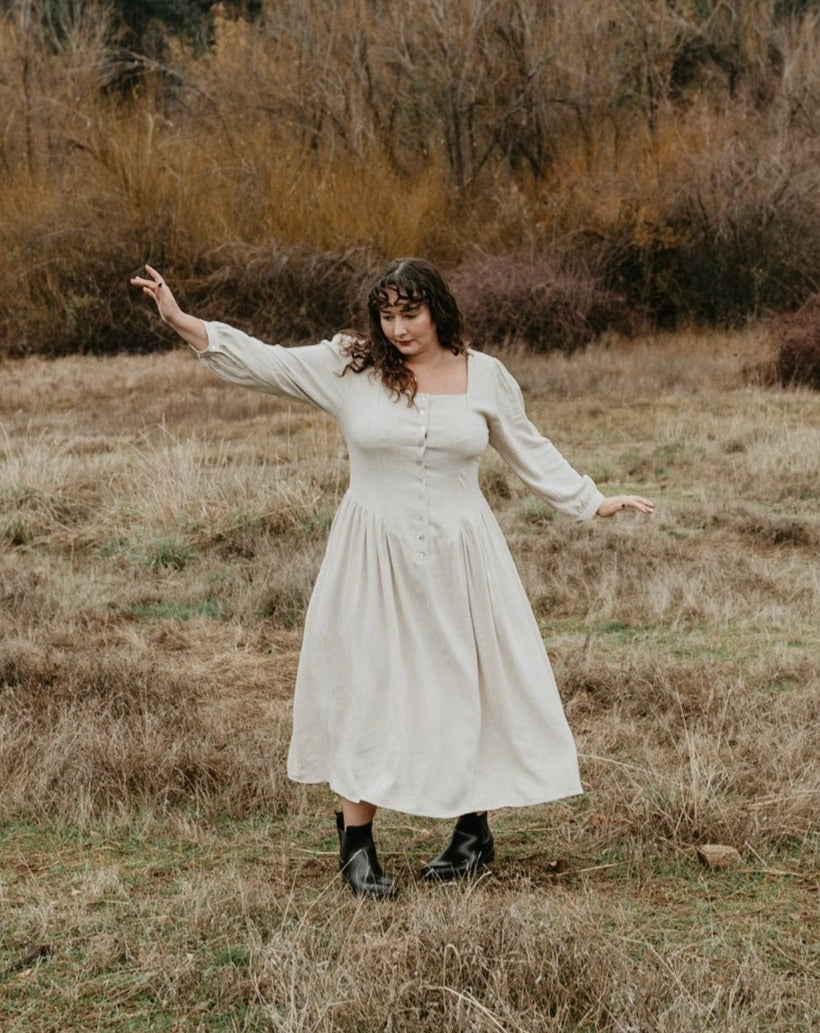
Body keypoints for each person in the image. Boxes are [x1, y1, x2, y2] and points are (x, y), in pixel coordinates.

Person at [131, 258, 654, 899]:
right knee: (365, 685)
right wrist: (183, 321)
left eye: (411, 313)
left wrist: (589, 500)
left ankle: (472, 831)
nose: (399, 328)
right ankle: (357, 844)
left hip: (464, 556)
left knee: (467, 684)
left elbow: (528, 447)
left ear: (438, 310)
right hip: (371, 555)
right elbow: (264, 362)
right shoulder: (350, 366)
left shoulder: (483, 375)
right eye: (388, 315)